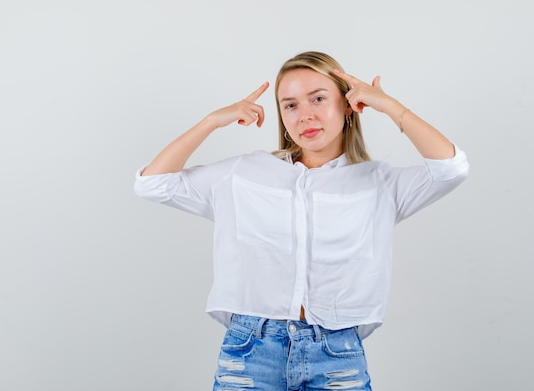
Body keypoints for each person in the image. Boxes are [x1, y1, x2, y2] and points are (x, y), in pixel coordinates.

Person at [133, 51, 469, 391]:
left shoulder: (379, 183)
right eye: (290, 105)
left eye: (318, 99)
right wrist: (212, 121)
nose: (304, 115)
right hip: (250, 352)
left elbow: (451, 168)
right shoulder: (244, 174)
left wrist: (390, 106)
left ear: (348, 105)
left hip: (336, 355)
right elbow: (152, 183)